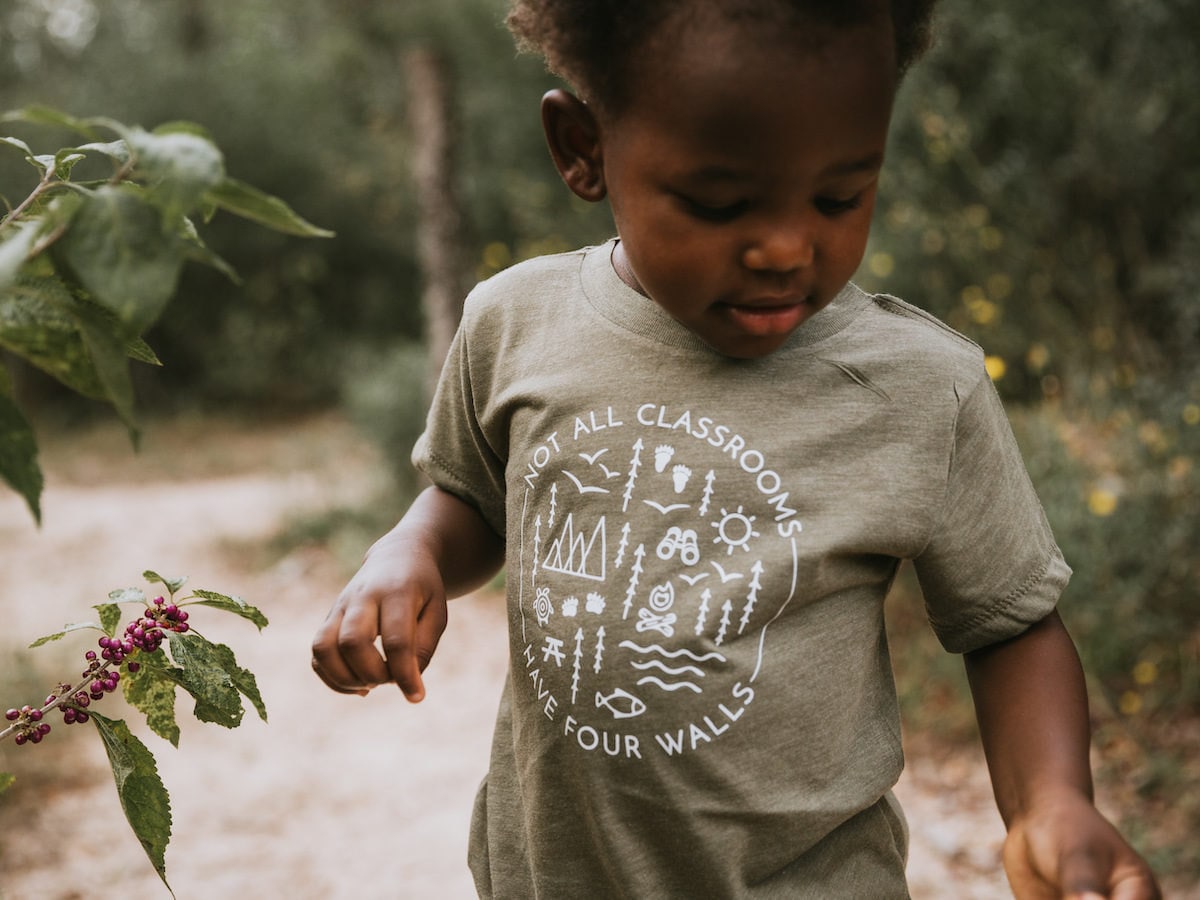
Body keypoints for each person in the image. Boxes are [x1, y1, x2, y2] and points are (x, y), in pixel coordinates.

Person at [312, 1, 1162, 897]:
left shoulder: (921, 387)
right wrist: (412, 552)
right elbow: (478, 503)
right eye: (720, 203)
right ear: (584, 148)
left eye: (840, 195)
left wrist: (1051, 803)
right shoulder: (515, 323)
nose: (787, 247)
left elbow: (1011, 623)